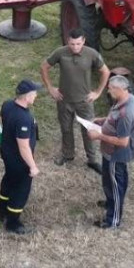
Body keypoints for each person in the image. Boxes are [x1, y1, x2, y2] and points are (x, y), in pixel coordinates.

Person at [40, 29, 110, 173]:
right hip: (64, 100)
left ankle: (92, 160)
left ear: (83, 41)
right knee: (66, 129)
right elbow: (44, 67)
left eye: (78, 44)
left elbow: (105, 72)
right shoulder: (60, 52)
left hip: (84, 102)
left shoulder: (91, 54)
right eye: (72, 44)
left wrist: (97, 92)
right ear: (68, 41)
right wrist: (51, 88)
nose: (75, 47)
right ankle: (68, 155)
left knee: (89, 130)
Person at [85, 75, 134, 230]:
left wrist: (98, 136)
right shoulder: (125, 99)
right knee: (108, 180)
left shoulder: (126, 113)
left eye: (110, 88)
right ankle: (110, 202)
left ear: (120, 89)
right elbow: (113, 118)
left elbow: (123, 141)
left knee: (116, 185)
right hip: (109, 152)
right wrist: (103, 120)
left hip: (116, 155)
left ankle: (112, 221)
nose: (108, 91)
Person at [0, 79, 42, 235]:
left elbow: (5, 120)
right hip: (18, 159)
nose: (36, 96)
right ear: (27, 96)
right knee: (21, 189)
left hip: (6, 152)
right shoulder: (23, 118)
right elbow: (23, 146)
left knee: (8, 180)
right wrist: (32, 166)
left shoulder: (7, 105)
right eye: (34, 93)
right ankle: (13, 222)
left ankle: (2, 212)